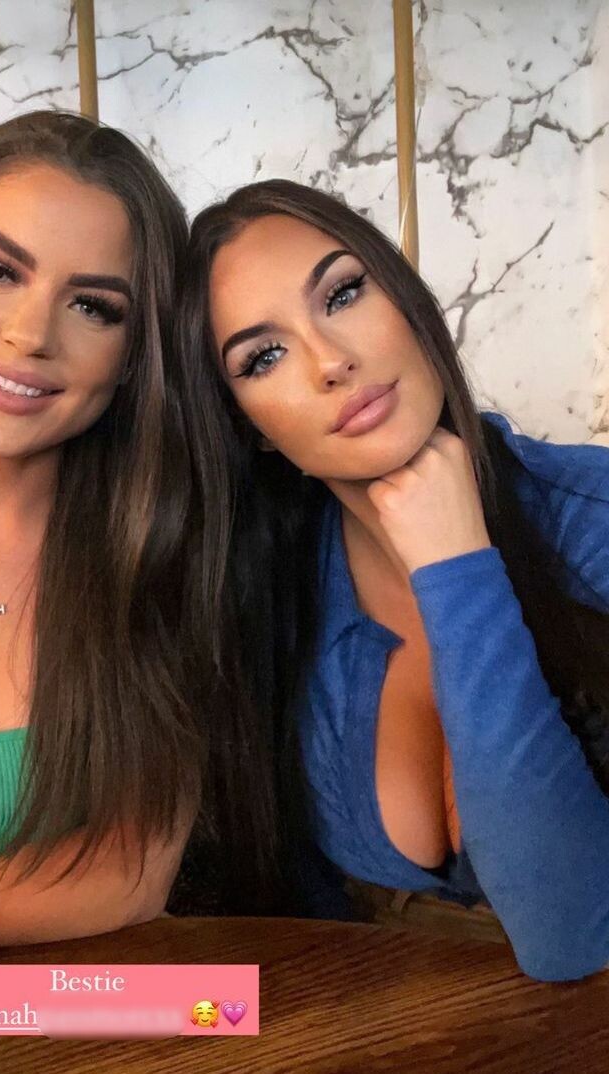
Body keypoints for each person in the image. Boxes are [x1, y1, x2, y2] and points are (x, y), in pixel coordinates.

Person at [175, 178, 609, 982]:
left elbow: (570, 937)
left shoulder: (593, 520)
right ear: (250, 428)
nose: (331, 361)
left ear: (407, 300)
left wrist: (455, 565)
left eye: (343, 294)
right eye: (264, 356)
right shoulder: (263, 606)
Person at [0, 110, 278, 957]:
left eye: (94, 307)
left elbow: (130, 869)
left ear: (137, 354)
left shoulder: (159, 540)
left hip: (85, 1013)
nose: (31, 336)